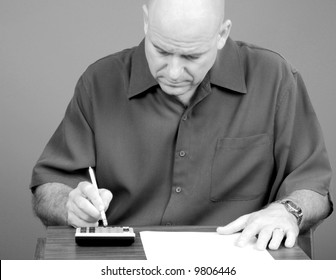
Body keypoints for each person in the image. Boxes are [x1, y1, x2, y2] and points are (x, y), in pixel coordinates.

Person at [31, 0, 333, 251]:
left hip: (237, 264)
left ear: (222, 34)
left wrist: (288, 211)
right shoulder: (99, 82)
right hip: (122, 265)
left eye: (191, 56)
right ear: (146, 22)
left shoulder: (275, 79)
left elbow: (315, 190)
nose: (174, 72)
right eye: (161, 51)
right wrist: (68, 204)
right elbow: (49, 187)